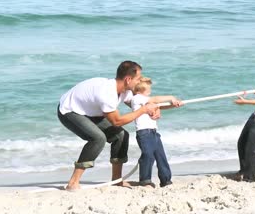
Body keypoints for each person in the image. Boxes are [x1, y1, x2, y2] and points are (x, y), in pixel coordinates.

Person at [57, 60, 158, 191]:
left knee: (121, 135)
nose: (140, 82)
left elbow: (140, 104)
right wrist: (143, 110)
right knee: (98, 138)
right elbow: (117, 121)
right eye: (138, 79)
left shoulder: (125, 90)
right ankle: (73, 182)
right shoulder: (107, 93)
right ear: (128, 79)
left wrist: (156, 108)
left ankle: (116, 180)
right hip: (69, 110)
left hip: (91, 111)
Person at [131, 77, 183, 188]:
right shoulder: (137, 98)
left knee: (161, 156)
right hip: (144, 133)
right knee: (148, 155)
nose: (150, 91)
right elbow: (155, 99)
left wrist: (173, 105)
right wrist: (171, 97)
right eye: (148, 89)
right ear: (143, 91)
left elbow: (160, 106)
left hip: (154, 132)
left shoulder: (146, 100)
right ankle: (145, 180)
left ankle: (166, 180)